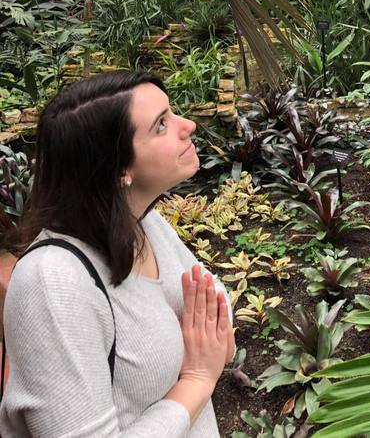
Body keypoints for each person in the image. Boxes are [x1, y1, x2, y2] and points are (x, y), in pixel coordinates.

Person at [0, 70, 235, 437]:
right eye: (161, 124)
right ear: (118, 168)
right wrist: (197, 379)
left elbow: (215, 301)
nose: (188, 125)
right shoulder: (52, 284)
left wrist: (212, 345)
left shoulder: (146, 224)